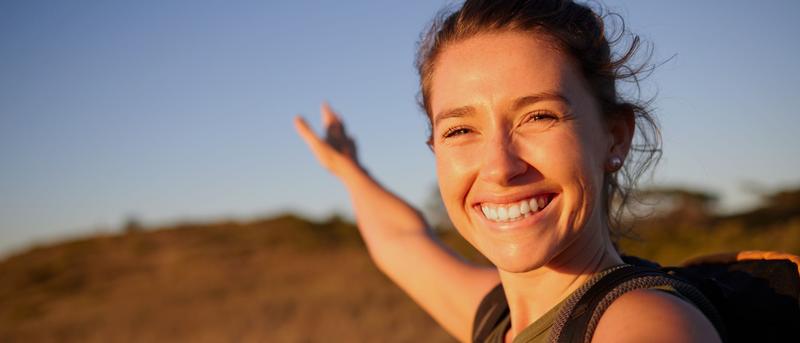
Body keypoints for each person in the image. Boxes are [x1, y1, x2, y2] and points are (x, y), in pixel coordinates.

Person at [293, 0, 721, 342]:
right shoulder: (502, 319)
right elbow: (401, 242)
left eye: (538, 117)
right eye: (461, 129)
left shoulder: (645, 326)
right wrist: (348, 170)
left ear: (615, 136)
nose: (499, 167)